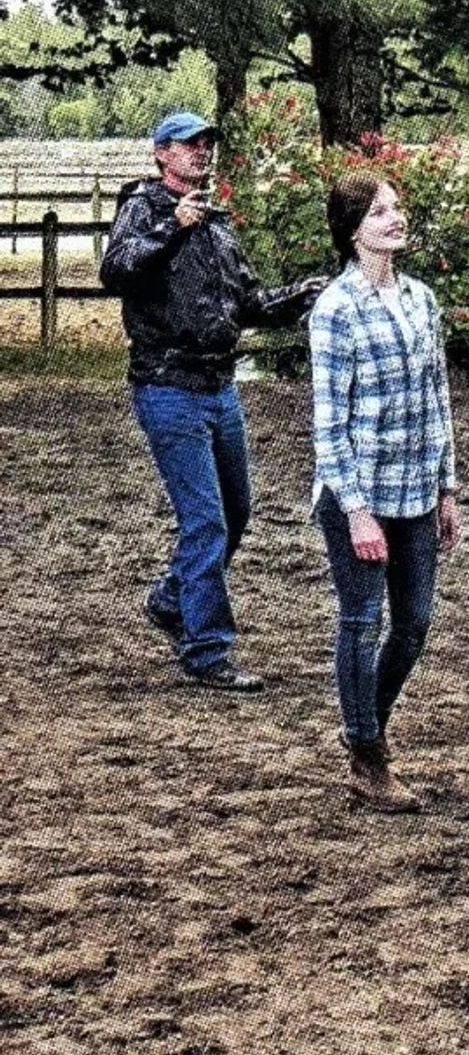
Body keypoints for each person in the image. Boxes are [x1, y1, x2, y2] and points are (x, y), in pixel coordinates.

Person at [101, 110, 326, 691]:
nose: (202, 153)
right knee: (205, 522)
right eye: (189, 144)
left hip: (219, 388)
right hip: (167, 385)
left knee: (236, 514)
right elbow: (116, 270)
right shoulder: (144, 209)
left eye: (207, 144)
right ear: (160, 153)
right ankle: (207, 652)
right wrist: (171, 227)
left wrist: (300, 295)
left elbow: (247, 303)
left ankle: (171, 599)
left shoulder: (218, 226)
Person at [309, 171, 460, 812]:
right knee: (362, 619)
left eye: (397, 207)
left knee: (415, 624)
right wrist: (357, 511)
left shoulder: (421, 300)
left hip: (418, 491)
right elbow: (328, 422)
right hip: (359, 496)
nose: (395, 218)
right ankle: (369, 757)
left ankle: (361, 730)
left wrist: (447, 487)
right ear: (352, 231)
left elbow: (439, 400)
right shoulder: (335, 309)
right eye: (379, 211)